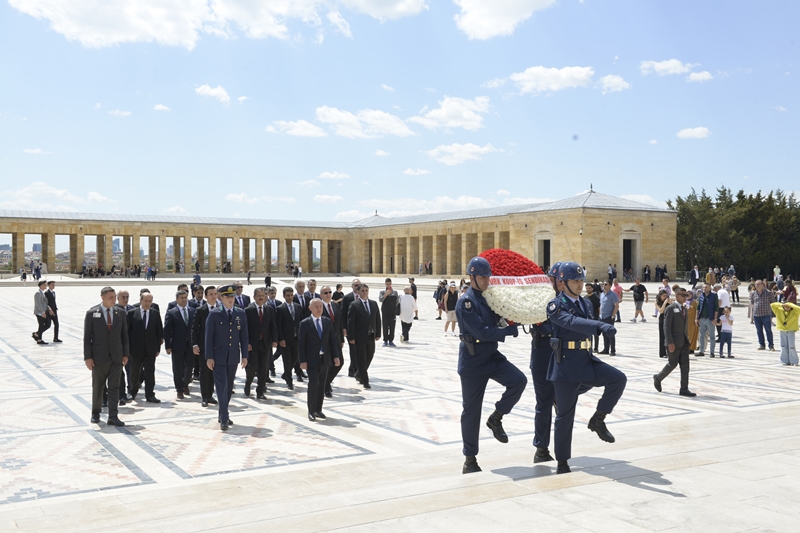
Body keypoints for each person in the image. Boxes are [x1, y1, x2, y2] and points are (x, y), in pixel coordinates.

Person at [546, 262, 626, 474]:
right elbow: (571, 322)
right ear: (563, 283)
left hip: (585, 359)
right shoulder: (555, 305)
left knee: (617, 379)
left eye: (582, 281)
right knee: (565, 416)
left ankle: (598, 419)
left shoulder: (586, 303)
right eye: (575, 281)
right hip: (565, 365)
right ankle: (562, 461)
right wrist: (599, 325)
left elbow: (585, 321)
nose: (580, 285)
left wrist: (601, 325)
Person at [457, 257, 526, 474]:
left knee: (518, 381)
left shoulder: (488, 298)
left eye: (488, 276)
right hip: (473, 361)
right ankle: (470, 458)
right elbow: (482, 332)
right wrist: (508, 331)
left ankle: (496, 417)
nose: (487, 280)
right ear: (472, 277)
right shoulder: (466, 302)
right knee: (471, 410)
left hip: (491, 356)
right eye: (483, 277)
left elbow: (500, 316)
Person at [527, 262, 567, 466]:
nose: (559, 283)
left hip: (564, 356)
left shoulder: (570, 301)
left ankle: (561, 447)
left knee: (570, 397)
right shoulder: (540, 299)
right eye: (556, 279)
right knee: (543, 403)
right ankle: (541, 448)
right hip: (543, 354)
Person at [83, 286, 129, 426]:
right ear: (102, 297)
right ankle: (95, 413)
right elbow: (87, 338)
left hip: (116, 357)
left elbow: (124, 336)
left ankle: (113, 416)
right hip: (98, 358)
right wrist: (88, 357)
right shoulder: (92, 313)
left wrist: (125, 354)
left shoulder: (120, 313)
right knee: (98, 386)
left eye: (114, 297)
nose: (113, 300)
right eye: (110, 297)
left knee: (114, 387)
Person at [205, 285, 248, 430]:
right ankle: (224, 417)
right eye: (227, 297)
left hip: (233, 356)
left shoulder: (240, 313)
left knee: (229, 388)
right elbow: (208, 337)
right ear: (221, 298)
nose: (230, 299)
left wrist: (245, 356)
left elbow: (244, 336)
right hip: (218, 356)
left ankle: (222, 411)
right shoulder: (215, 314)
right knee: (221, 386)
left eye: (232, 297)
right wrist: (209, 357)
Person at [299, 299, 341, 421]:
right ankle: (311, 410)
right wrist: (302, 361)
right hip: (311, 360)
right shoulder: (305, 323)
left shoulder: (327, 322)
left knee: (322, 385)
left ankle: (318, 409)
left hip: (325, 359)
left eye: (320, 306)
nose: (319, 309)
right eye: (316, 307)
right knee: (314, 383)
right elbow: (301, 344)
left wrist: (336, 356)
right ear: (310, 308)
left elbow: (332, 340)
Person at [653, 288, 696, 397]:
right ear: (677, 296)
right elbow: (666, 327)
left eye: (686, 295)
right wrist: (669, 342)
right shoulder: (671, 309)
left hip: (684, 342)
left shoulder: (684, 309)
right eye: (683, 295)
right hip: (674, 343)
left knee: (685, 366)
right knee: (672, 364)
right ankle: (658, 378)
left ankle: (684, 389)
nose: (685, 297)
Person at [126, 291, 164, 403]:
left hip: (150, 349)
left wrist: (158, 348)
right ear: (140, 300)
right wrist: (127, 349)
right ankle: (132, 391)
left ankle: (150, 394)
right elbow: (127, 332)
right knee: (134, 371)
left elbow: (159, 332)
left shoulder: (155, 313)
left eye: (150, 301)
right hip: (135, 349)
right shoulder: (132, 313)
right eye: (146, 301)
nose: (148, 303)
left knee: (150, 372)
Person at [244, 287, 278, 399]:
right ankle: (248, 384)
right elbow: (245, 329)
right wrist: (247, 343)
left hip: (266, 343)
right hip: (253, 344)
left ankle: (260, 390)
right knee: (253, 366)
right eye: (259, 296)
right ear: (254, 297)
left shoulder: (269, 309)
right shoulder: (248, 310)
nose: (261, 298)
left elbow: (273, 325)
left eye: (263, 296)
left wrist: (274, 340)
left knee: (264, 368)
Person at [347, 283, 381, 389]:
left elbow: (377, 319)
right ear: (358, 292)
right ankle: (365, 380)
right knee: (361, 358)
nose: (365, 292)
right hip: (360, 337)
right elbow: (350, 322)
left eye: (366, 290)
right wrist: (351, 337)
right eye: (362, 290)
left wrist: (378, 333)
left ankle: (359, 373)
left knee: (370, 355)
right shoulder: (354, 305)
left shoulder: (373, 304)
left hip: (371, 336)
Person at [164, 290, 196, 399]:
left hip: (190, 345)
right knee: (177, 368)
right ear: (177, 299)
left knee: (190, 366)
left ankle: (184, 383)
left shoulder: (193, 311)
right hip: (177, 345)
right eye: (181, 298)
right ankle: (179, 389)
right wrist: (168, 346)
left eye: (185, 297)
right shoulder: (171, 312)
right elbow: (167, 330)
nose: (184, 299)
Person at [192, 286, 220, 407]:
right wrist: (195, 344)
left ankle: (210, 395)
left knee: (213, 372)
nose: (213, 296)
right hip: (204, 347)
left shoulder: (221, 309)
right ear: (206, 296)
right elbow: (194, 329)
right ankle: (204, 396)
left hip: (218, 347)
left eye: (215, 294)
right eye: (211, 294)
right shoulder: (200, 310)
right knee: (204, 372)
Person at [277, 286, 303, 390]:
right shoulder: (280, 308)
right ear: (284, 296)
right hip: (285, 339)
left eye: (291, 295)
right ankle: (289, 380)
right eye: (288, 295)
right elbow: (278, 325)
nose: (290, 297)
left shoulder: (297, 307)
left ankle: (286, 374)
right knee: (287, 360)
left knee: (295, 358)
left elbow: (301, 322)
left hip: (296, 337)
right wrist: (280, 339)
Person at [320, 285, 344, 398]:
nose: (328, 294)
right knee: (327, 364)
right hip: (324, 342)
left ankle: (326, 382)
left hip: (336, 341)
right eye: (325, 293)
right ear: (321, 295)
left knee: (340, 363)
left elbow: (339, 323)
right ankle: (326, 387)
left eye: (329, 292)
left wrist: (342, 339)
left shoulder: (335, 305)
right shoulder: (318, 307)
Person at [341, 279, 361, 377]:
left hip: (361, 329)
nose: (357, 286)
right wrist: (344, 328)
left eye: (359, 285)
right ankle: (353, 369)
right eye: (356, 285)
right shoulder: (347, 297)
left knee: (359, 350)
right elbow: (342, 313)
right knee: (353, 349)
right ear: (352, 286)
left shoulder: (363, 296)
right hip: (350, 329)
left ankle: (357, 368)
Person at [750, 280, 776, 351]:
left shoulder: (768, 293)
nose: (756, 286)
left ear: (762, 285)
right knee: (759, 330)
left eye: (758, 284)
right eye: (755, 285)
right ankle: (762, 344)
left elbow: (773, 302)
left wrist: (772, 314)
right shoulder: (753, 293)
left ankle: (771, 345)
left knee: (768, 330)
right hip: (756, 315)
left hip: (766, 314)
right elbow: (752, 303)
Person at [771, 301, 799, 365]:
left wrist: (790, 304)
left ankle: (794, 361)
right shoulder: (779, 311)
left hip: (791, 330)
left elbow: (798, 308)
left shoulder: (795, 312)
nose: (787, 308)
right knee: (783, 346)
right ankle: (784, 360)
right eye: (786, 306)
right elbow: (772, 305)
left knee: (792, 346)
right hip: (782, 330)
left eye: (789, 307)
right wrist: (782, 304)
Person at [695, 283, 718, 357]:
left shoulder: (714, 296)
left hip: (710, 319)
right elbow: (698, 307)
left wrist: (715, 318)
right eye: (704, 287)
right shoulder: (701, 296)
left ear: (710, 288)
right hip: (702, 318)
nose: (705, 289)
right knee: (701, 335)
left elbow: (716, 307)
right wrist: (697, 318)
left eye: (706, 287)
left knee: (712, 336)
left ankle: (712, 352)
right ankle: (701, 351)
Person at [598, 281, 619, 355]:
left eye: (606, 284)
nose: (604, 286)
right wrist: (599, 314)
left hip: (609, 317)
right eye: (603, 284)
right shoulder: (602, 294)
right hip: (602, 317)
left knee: (610, 333)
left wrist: (613, 315)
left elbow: (616, 306)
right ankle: (606, 349)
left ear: (610, 286)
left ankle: (612, 350)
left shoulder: (613, 295)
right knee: (604, 334)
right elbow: (601, 305)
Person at [379, 278, 399, 347]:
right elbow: (380, 300)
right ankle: (385, 340)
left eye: (389, 284)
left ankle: (391, 340)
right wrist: (386, 294)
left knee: (392, 327)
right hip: (385, 312)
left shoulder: (395, 292)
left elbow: (397, 301)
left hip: (392, 312)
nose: (388, 285)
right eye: (387, 284)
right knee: (385, 326)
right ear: (385, 284)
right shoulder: (382, 292)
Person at [33, 280, 51, 345]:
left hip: (44, 311)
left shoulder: (42, 293)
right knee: (41, 325)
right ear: (41, 285)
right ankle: (39, 340)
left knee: (48, 324)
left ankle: (37, 334)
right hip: (39, 312)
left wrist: (49, 308)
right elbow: (38, 304)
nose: (46, 286)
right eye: (45, 285)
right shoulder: (37, 293)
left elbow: (44, 303)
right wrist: (42, 312)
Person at [584, 283, 601, 351]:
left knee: (595, 334)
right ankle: (589, 347)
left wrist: (599, 317)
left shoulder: (596, 298)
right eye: (587, 288)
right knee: (588, 334)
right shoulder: (585, 298)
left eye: (589, 288)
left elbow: (599, 308)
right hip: (587, 319)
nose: (588, 289)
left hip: (595, 318)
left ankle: (596, 348)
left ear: (592, 289)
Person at [656, 291, 671, 358]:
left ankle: (669, 352)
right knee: (662, 336)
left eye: (666, 296)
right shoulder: (657, 302)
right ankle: (663, 353)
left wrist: (670, 303)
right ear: (660, 296)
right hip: (662, 319)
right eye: (664, 296)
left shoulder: (669, 301)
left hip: (669, 318)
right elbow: (661, 311)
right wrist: (665, 303)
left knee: (669, 336)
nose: (665, 297)